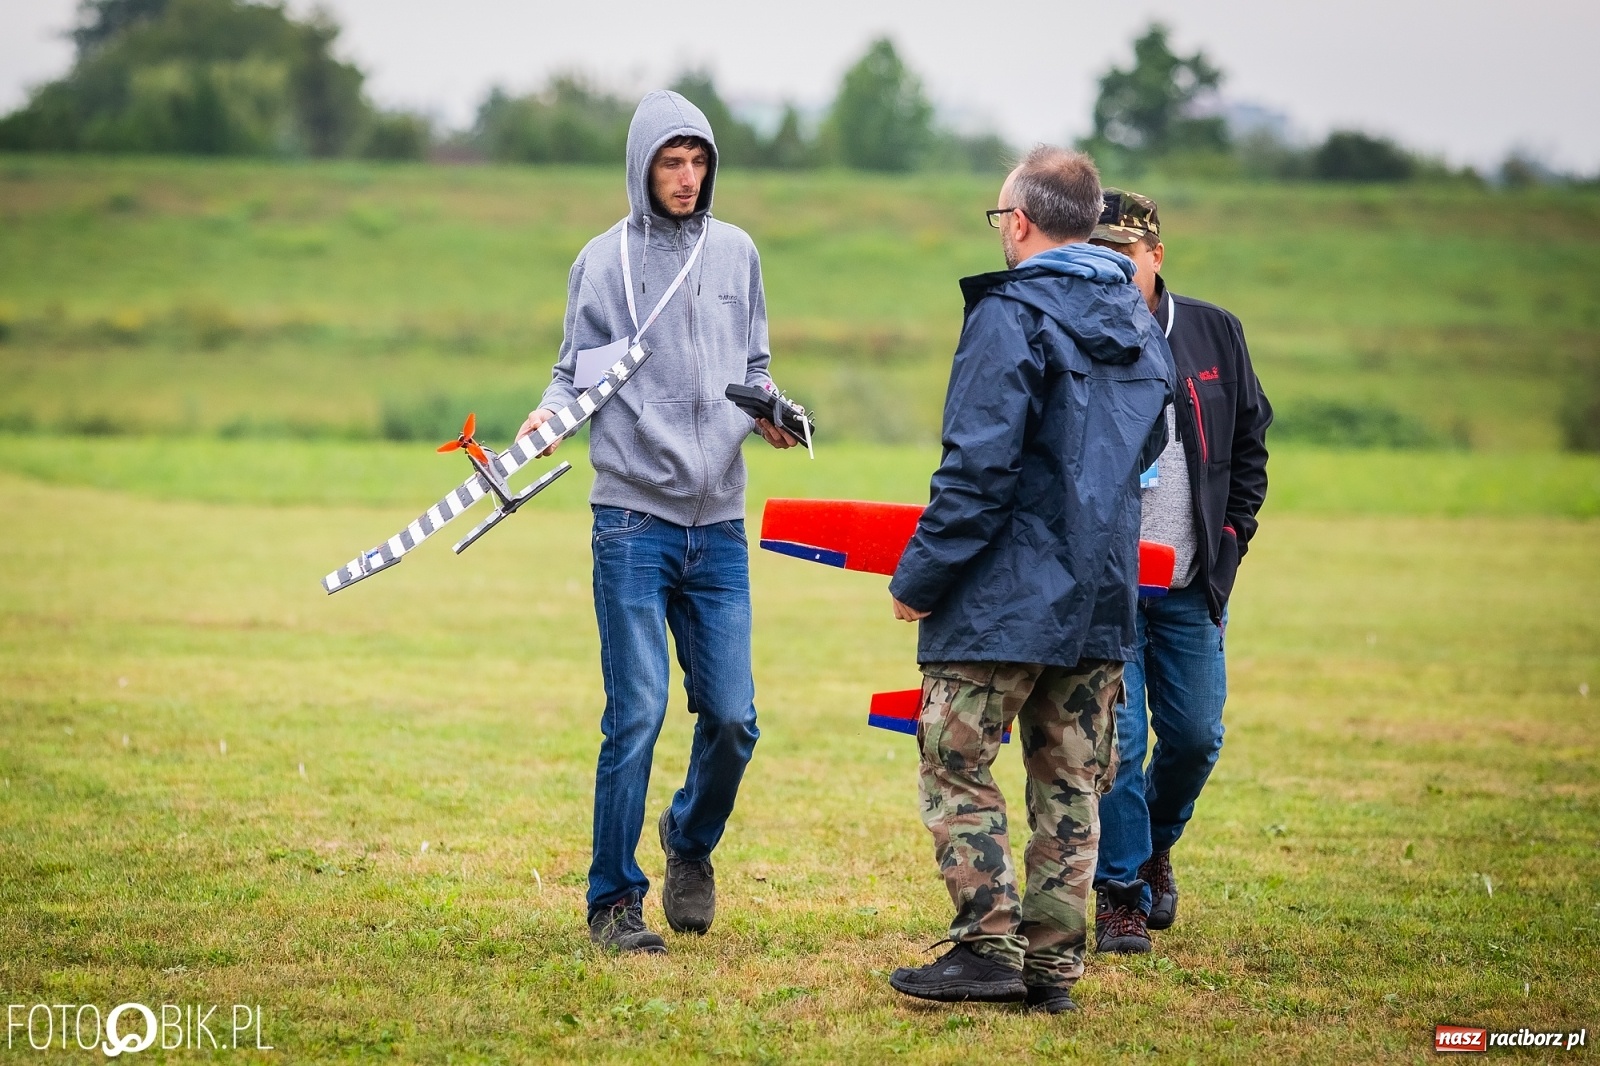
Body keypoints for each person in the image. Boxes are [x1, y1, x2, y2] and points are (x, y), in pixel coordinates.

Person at [884, 147, 1174, 1014]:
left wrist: (920, 578)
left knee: (957, 761)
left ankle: (984, 948)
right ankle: (1051, 972)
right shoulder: (1136, 316)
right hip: (1101, 595)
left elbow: (978, 469)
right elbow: (1147, 449)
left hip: (1003, 595)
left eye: (998, 216)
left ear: (1018, 222)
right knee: (1071, 782)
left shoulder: (1009, 313)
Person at [519, 90, 797, 955]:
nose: (687, 178)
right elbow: (574, 376)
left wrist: (773, 413)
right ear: (643, 166)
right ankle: (613, 902)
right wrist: (541, 420)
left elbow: (754, 366)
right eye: (671, 163)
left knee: (734, 717)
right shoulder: (602, 263)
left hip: (719, 525)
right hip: (631, 518)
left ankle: (688, 841)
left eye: (698, 162)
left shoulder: (739, 252)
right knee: (635, 711)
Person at [1086, 189, 1272, 954]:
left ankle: (1155, 845)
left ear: (1156, 255)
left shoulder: (1214, 332)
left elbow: (1251, 446)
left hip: (1192, 583)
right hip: (1107, 582)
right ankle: (1121, 892)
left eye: (1124, 256)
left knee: (1196, 735)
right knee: (1120, 742)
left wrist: (1229, 539)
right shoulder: (1077, 330)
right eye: (1096, 255)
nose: (1111, 270)